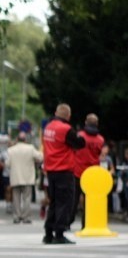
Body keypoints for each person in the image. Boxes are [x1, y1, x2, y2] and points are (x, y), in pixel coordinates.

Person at [42, 103, 85, 244]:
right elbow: (80, 143)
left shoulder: (48, 127)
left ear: (56, 112)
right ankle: (59, 233)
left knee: (53, 202)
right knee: (65, 203)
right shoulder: (65, 129)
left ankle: (48, 233)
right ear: (68, 116)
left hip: (51, 171)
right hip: (64, 170)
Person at [71, 113, 104, 229]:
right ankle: (86, 224)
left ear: (85, 122)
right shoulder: (100, 139)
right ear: (97, 124)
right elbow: (99, 154)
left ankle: (68, 221)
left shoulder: (80, 135)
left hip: (78, 171)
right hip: (92, 173)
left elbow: (73, 150)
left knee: (74, 198)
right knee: (89, 201)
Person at [6, 132, 43, 223]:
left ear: (17, 139)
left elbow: (7, 164)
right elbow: (40, 157)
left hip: (16, 177)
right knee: (27, 198)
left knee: (16, 198)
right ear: (25, 140)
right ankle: (26, 217)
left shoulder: (11, 150)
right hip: (28, 177)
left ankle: (16, 217)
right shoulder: (30, 148)